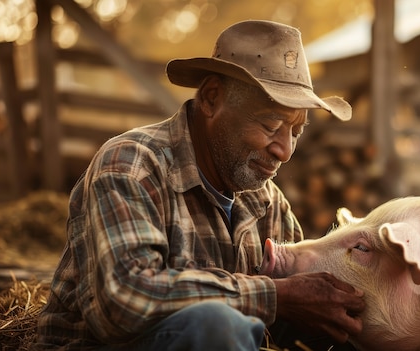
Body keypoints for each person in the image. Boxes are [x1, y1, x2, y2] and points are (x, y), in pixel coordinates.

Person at [35, 20, 364, 350]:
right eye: (270, 124)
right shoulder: (132, 166)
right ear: (211, 98)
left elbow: (301, 303)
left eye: (295, 132)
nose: (285, 150)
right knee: (216, 326)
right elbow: (124, 300)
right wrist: (275, 295)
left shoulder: (267, 202)